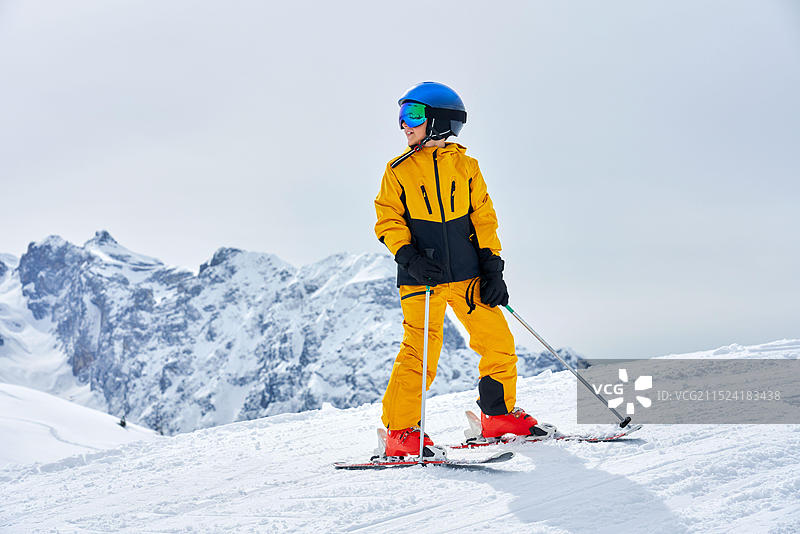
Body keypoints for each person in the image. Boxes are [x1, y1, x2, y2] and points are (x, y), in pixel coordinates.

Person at [374, 81, 544, 458]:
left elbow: (483, 217)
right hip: (422, 277)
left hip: (469, 276)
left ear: (439, 121)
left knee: (498, 343)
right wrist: (410, 257)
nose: (403, 124)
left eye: (412, 115)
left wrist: (493, 268)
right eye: (401, 116)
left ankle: (497, 416)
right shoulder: (398, 170)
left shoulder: (467, 167)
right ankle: (401, 433)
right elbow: (388, 220)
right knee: (420, 354)